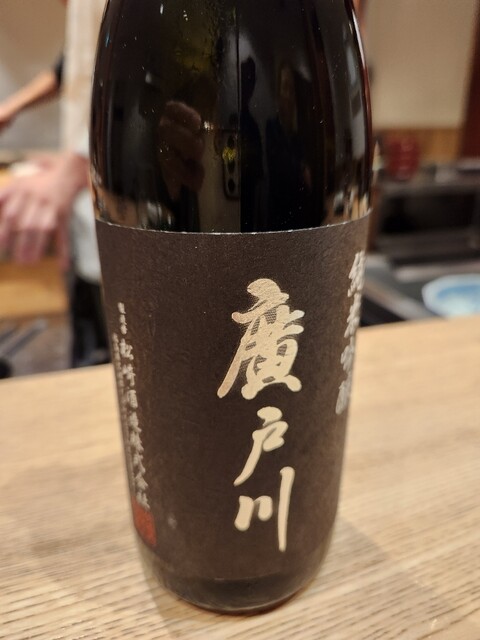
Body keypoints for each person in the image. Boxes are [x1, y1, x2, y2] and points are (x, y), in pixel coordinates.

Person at [0, 0, 108, 367]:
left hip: (119, 197)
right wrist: (11, 108)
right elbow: (72, 63)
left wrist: (74, 166)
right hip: (88, 198)